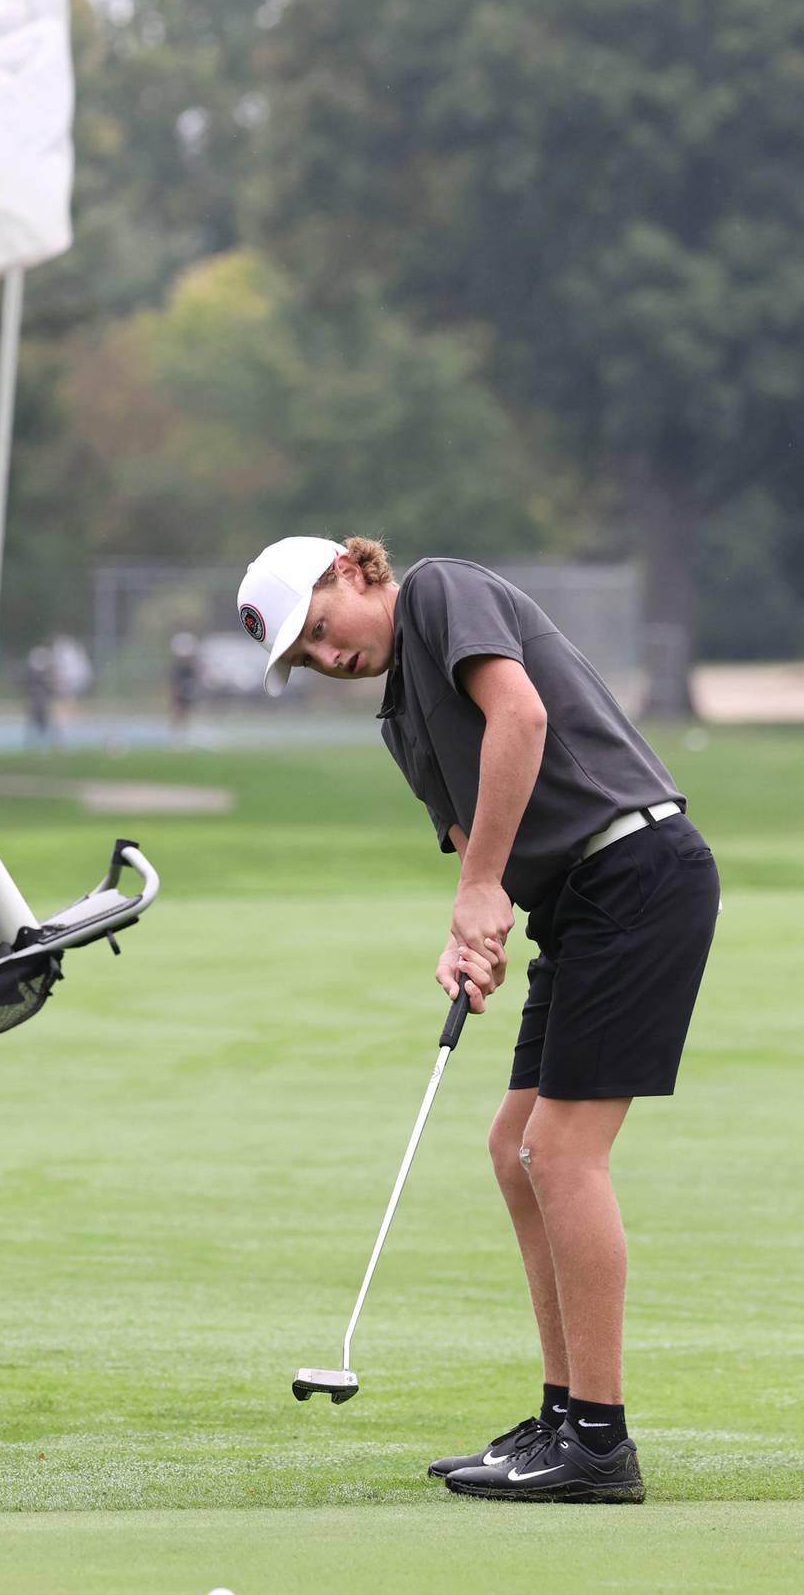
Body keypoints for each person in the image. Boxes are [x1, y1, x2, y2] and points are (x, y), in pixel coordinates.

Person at [237, 535, 719, 1504]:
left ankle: (599, 1439)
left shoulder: (441, 595)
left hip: (636, 869)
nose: (329, 659)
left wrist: (486, 885)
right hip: (574, 904)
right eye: (306, 659)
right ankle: (560, 1414)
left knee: (563, 1149)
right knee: (515, 1147)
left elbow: (521, 717)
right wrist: (472, 932)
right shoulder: (399, 722)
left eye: (323, 631)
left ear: (356, 572)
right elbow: (470, 846)